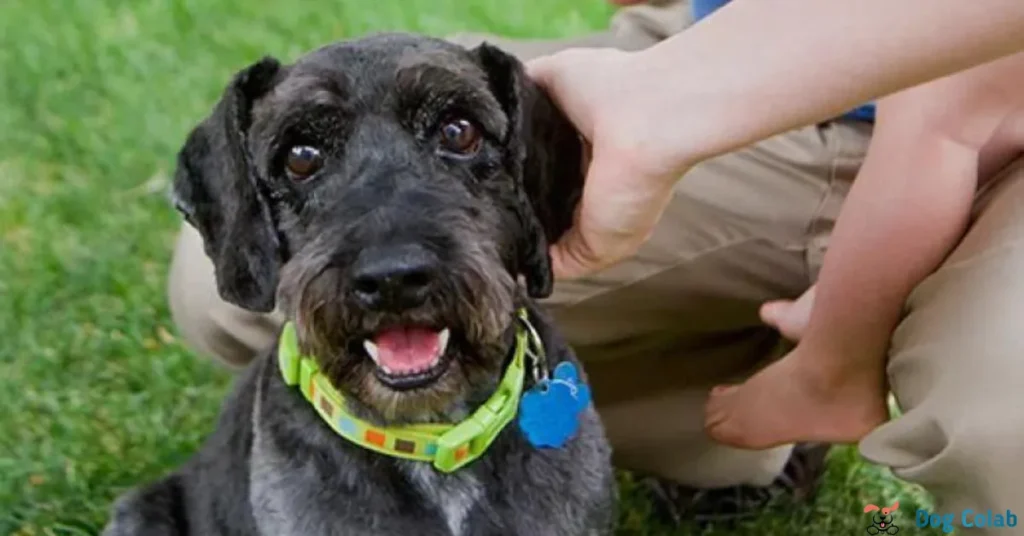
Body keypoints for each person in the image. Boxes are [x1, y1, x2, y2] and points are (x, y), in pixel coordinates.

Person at [167, 0, 1024, 528]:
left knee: (1009, 441)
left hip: (977, 120)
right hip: (743, 54)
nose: (391, 263)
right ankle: (710, 438)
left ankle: (739, 412)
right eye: (306, 161)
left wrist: (836, 352)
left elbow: (942, 121)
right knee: (221, 292)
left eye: (459, 136)